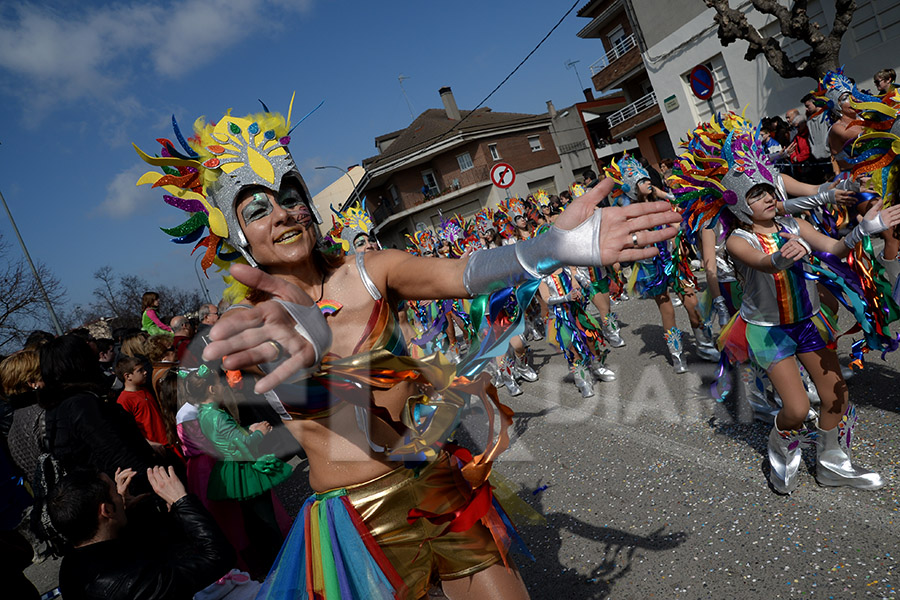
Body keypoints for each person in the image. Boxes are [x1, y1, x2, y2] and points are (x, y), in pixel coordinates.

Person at [134, 101, 678, 598]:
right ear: (235, 238)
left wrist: (548, 247)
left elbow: (464, 273)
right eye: (256, 210)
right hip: (356, 520)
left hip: (434, 482)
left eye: (291, 197)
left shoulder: (372, 270)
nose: (282, 214)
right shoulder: (249, 323)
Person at [675, 125, 900, 494]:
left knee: (836, 396)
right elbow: (764, 263)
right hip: (770, 329)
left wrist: (866, 229)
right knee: (795, 410)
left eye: (768, 191)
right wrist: (781, 255)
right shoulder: (737, 239)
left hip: (807, 323)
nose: (765, 198)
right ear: (739, 203)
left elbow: (837, 249)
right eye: (755, 194)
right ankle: (780, 449)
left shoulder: (794, 223)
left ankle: (832, 464)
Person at [50, 465, 234, 600]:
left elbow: (139, 550)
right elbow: (218, 558)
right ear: (106, 510)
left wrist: (124, 514)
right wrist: (182, 501)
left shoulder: (72, 563)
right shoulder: (130, 582)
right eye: (115, 492)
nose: (120, 496)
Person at [607, 155, 719, 374]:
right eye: (642, 181)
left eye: (648, 179)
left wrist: (664, 193)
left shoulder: (663, 202)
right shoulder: (630, 214)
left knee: (692, 302)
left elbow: (683, 207)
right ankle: (677, 355)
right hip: (652, 265)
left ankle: (704, 346)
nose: (648, 183)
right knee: (667, 310)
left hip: (675, 260)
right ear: (631, 187)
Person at [183, 365, 291, 578]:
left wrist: (246, 430)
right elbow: (243, 447)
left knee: (253, 521)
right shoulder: (216, 415)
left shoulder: (205, 413)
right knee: (266, 521)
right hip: (244, 469)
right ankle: (283, 562)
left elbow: (227, 440)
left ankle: (271, 563)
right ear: (212, 390)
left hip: (232, 468)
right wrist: (258, 433)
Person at [115, 355, 168, 446]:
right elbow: (128, 430)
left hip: (166, 441)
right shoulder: (124, 400)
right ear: (128, 376)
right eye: (140, 370)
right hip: (154, 446)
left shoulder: (145, 390)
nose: (145, 372)